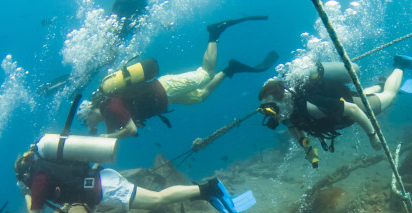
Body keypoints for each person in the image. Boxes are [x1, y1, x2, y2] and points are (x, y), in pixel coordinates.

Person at [78, 16, 278, 139]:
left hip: (165, 88)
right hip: (167, 97)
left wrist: (106, 137)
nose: (89, 126)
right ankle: (230, 69)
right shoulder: (109, 117)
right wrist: (100, 138)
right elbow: (115, 132)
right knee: (200, 96)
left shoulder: (111, 107)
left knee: (205, 74)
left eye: (86, 122)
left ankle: (214, 33)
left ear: (90, 113)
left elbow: (130, 130)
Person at [13, 147, 263, 213]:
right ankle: (206, 193)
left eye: (22, 180)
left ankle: (209, 189)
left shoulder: (38, 181)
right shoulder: (43, 172)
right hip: (103, 182)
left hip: (107, 189)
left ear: (25, 174)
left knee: (158, 200)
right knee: (157, 199)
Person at [258, 55, 412, 167]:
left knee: (390, 97)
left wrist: (373, 135)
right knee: (360, 96)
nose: (270, 114)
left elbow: (351, 109)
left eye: (271, 107)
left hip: (352, 107)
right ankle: (378, 85)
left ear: (283, 98)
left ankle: (401, 64)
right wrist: (309, 150)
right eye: (266, 110)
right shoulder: (285, 112)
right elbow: (294, 127)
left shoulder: (311, 103)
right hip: (340, 105)